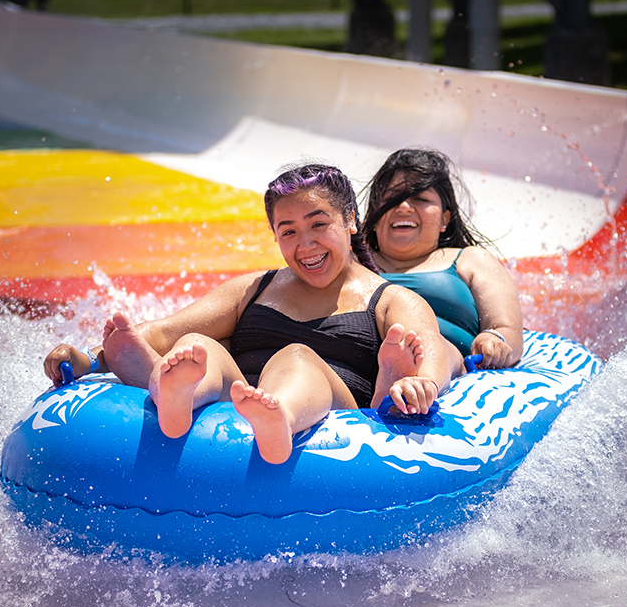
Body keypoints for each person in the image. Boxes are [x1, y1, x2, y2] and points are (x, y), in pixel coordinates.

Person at [43, 163, 450, 465]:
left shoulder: (387, 298)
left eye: (318, 224)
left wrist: (424, 383)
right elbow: (164, 331)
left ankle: (281, 417)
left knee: (297, 357)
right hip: (242, 396)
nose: (305, 245)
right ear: (275, 236)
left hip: (334, 410)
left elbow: (429, 350)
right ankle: (176, 396)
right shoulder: (255, 289)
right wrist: (91, 359)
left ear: (350, 221)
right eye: (288, 231)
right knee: (197, 346)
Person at [361, 148, 524, 372]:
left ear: (444, 219)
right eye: (392, 198)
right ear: (374, 215)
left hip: (445, 364)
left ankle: (416, 380)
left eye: (420, 198)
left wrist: (494, 340)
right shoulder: (351, 263)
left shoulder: (472, 260)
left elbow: (507, 329)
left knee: (429, 343)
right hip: (364, 363)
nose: (404, 207)